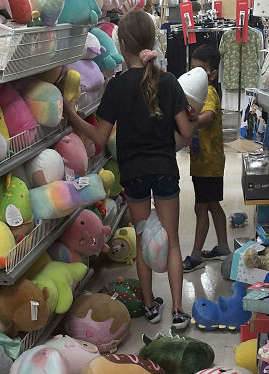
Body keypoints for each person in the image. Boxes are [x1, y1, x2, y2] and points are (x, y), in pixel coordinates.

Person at [63, 9, 197, 329]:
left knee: (142, 238)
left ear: (121, 44)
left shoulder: (117, 86)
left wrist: (72, 115)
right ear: (152, 41)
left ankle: (149, 306)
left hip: (133, 172)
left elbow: (99, 137)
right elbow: (186, 133)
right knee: (172, 240)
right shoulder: (169, 82)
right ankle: (178, 310)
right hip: (164, 168)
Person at [182, 45, 230, 273]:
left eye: (200, 70)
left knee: (201, 207)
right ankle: (223, 247)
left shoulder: (208, 92)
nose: (195, 75)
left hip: (208, 164)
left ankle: (195, 255)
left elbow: (209, 116)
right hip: (205, 162)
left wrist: (188, 124)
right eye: (192, 69)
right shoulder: (200, 93)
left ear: (213, 73)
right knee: (212, 205)